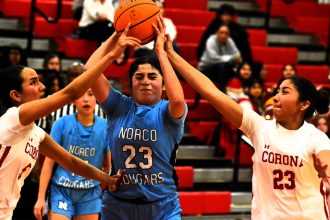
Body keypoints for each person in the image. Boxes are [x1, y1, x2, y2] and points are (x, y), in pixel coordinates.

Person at [164, 34, 330, 219]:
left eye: (285, 92)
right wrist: (171, 54)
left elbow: (327, 163)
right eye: (277, 91)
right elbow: (210, 91)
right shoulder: (259, 127)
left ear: (304, 104)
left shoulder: (316, 138)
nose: (276, 97)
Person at [0, 27, 140, 220]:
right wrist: (111, 56)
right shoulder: (13, 118)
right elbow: (71, 93)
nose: (42, 86)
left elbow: (72, 162)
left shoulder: (35, 133)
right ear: (15, 95)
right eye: (33, 83)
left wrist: (108, 179)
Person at [84, 17, 187, 220]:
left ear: (164, 84)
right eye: (139, 77)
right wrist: (116, 37)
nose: (145, 82)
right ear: (129, 84)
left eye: (152, 76)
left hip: (163, 206)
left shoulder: (168, 110)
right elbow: (89, 71)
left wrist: (161, 53)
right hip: (119, 206)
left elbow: (178, 99)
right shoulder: (118, 105)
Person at [34, 89, 110, 220]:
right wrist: (40, 198)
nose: (86, 99)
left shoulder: (106, 127)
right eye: (81, 95)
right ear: (74, 100)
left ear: (96, 98)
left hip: (90, 194)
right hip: (62, 190)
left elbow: (109, 167)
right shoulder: (61, 124)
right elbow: (48, 163)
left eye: (91, 94)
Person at [198, 24, 242, 92]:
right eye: (221, 32)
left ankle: (237, 93)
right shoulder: (211, 40)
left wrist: (235, 58)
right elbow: (214, 58)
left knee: (237, 69)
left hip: (222, 68)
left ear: (228, 35)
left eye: (226, 33)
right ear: (216, 33)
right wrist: (231, 58)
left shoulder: (229, 41)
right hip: (205, 69)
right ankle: (223, 91)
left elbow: (237, 55)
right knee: (221, 66)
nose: (223, 35)